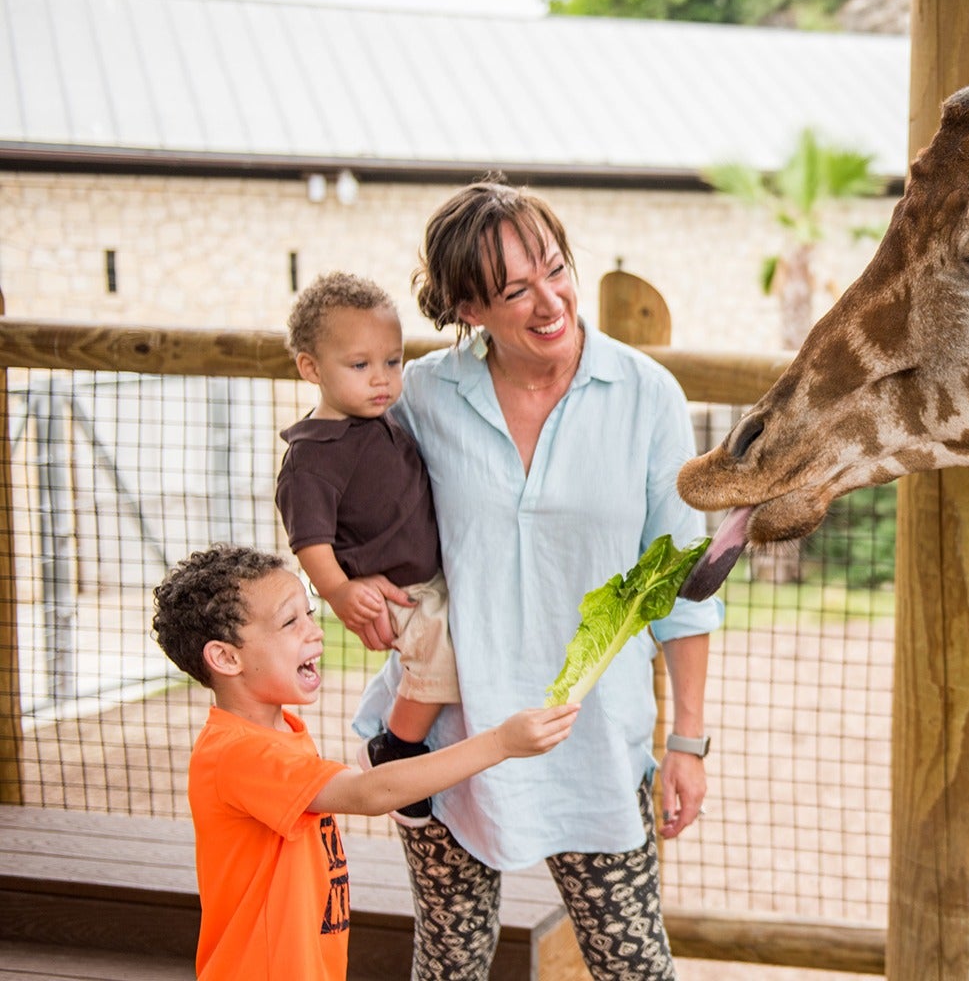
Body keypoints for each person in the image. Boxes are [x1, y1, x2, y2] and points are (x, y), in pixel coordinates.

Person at [345, 179, 722, 979]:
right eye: (515, 290)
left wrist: (687, 741)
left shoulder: (645, 395)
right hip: (449, 741)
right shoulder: (422, 397)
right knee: (447, 965)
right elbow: (355, 503)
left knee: (633, 967)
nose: (550, 300)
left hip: (594, 744)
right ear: (468, 309)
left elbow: (681, 587)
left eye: (555, 269)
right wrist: (355, 588)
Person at [150, 544, 578, 981]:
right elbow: (368, 792)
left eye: (309, 613)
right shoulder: (238, 754)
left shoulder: (280, 732)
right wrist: (499, 743)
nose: (314, 632)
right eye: (289, 621)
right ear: (226, 657)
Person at [277, 271, 453, 825]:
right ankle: (394, 749)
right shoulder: (313, 456)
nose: (381, 379)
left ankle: (396, 726)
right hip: (397, 591)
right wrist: (338, 591)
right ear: (311, 368)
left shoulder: (380, 419)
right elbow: (310, 538)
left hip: (430, 576)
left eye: (392, 362)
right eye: (360, 366)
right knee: (441, 657)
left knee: (449, 652)